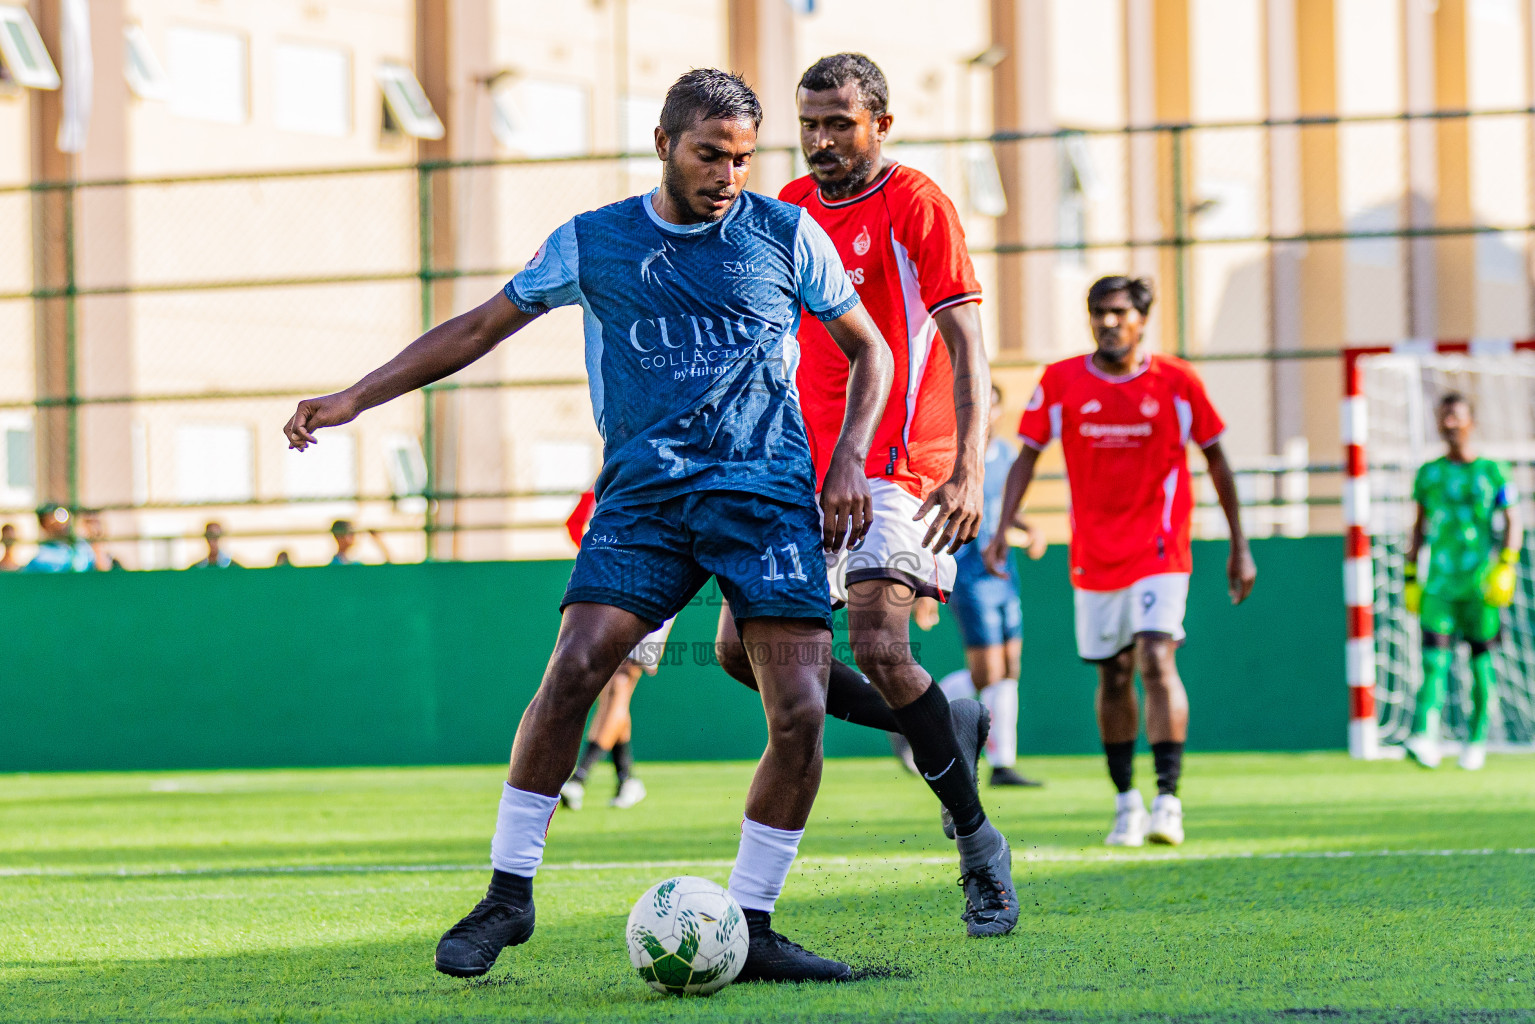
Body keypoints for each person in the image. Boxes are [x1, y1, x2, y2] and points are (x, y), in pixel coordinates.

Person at [284, 69, 893, 983]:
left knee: (800, 708)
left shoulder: (785, 233)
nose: (728, 176)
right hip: (645, 501)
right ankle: (507, 896)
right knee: (573, 668)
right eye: (709, 155)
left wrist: (847, 457)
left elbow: (869, 349)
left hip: (766, 500)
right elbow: (479, 327)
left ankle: (755, 925)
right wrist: (355, 398)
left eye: (741, 158)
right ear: (663, 143)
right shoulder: (593, 240)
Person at [711, 52, 1019, 939]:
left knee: (881, 641)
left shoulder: (916, 203)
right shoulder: (786, 210)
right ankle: (939, 725)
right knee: (737, 654)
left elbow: (965, 343)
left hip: (902, 462)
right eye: (808, 124)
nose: (820, 141)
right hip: (800, 469)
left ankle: (978, 848)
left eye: (838, 124)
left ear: (880, 123)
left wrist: (968, 466)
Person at [985, 275, 1256, 848]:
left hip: (1161, 549)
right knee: (1113, 673)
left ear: (1142, 320)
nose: (1108, 322)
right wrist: (1003, 525)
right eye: (1098, 312)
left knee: (1156, 657)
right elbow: (1026, 456)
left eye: (1119, 312)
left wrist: (1240, 544)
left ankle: (1168, 800)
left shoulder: (1178, 381)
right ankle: (1126, 801)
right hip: (1094, 554)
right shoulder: (1060, 381)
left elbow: (1217, 460)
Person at [1402, 393, 1522, 771]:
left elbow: (1514, 520)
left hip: (1480, 586)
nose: (1448, 424)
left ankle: (1477, 738)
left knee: (1481, 664)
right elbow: (1418, 526)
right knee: (1433, 661)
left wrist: (1506, 565)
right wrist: (1410, 574)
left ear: (1472, 422)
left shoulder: (1493, 471)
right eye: (1443, 417)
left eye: (1455, 416)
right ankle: (1425, 736)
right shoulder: (1428, 473)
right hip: (1439, 584)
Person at [944, 383, 1047, 788]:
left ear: (999, 411)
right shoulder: (951, 455)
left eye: (992, 405)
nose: (984, 413)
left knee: (1009, 669)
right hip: (968, 573)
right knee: (987, 672)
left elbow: (1006, 508)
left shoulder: (1005, 454)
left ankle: (1002, 763)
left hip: (1003, 573)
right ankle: (916, 713)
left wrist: (1029, 528)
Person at [559, 490, 657, 811]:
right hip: (612, 590)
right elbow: (575, 524)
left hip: (655, 589)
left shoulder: (665, 476)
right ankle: (627, 778)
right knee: (614, 691)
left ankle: (580, 777)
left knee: (620, 683)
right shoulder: (604, 484)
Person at [23, 504, 95, 573]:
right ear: (44, 525)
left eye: (61, 514)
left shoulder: (82, 547)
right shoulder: (42, 556)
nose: (59, 521)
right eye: (51, 517)